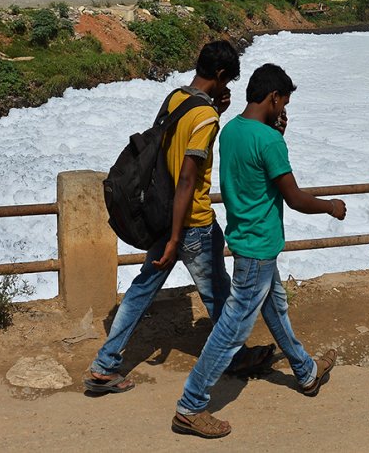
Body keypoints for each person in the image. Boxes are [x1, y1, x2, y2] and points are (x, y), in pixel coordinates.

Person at [85, 41, 273, 395]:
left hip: (165, 214)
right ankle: (231, 359)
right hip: (191, 223)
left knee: (142, 291)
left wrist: (169, 234)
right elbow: (188, 176)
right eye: (228, 80)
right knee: (220, 294)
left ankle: (105, 364)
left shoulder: (176, 99)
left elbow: (168, 152)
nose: (228, 86)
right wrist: (175, 238)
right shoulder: (206, 118)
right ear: (219, 75)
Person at [172, 63, 346, 438]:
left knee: (276, 307)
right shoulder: (269, 141)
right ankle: (190, 405)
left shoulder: (232, 129)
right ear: (273, 97)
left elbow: (252, 171)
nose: (284, 110)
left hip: (244, 237)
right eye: (283, 103)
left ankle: (306, 373)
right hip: (258, 245)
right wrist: (331, 206)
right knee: (231, 329)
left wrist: (274, 131)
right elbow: (295, 198)